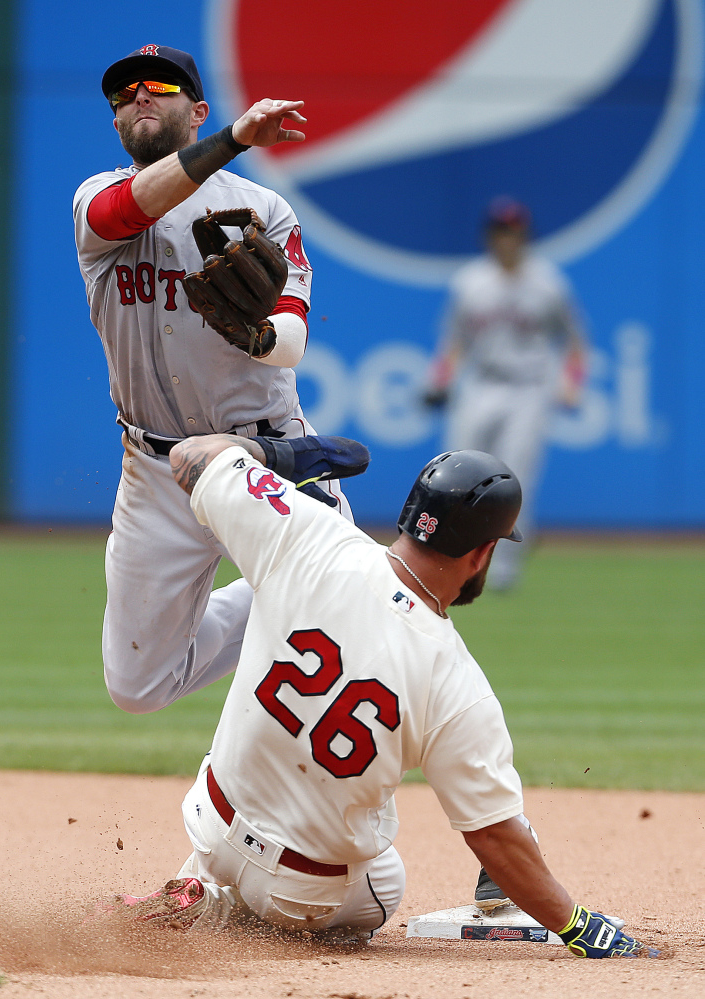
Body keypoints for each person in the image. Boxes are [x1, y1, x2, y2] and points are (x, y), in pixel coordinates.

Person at [110, 436, 658, 959]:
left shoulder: (308, 534)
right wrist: (578, 925)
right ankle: (224, 912)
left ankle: (202, 885)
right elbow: (495, 836)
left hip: (209, 823)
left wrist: (279, 454)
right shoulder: (457, 683)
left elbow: (191, 457)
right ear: (482, 553)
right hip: (296, 892)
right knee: (384, 879)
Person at [73, 44, 351, 716]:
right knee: (137, 687)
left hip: (258, 455)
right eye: (124, 92)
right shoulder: (95, 203)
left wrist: (259, 336)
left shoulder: (263, 209)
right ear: (115, 123)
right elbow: (127, 210)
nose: (140, 94)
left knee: (342, 609)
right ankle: (308, 588)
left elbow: (291, 339)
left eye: (161, 85)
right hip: (155, 469)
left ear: (195, 110)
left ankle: (325, 586)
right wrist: (233, 140)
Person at [423, 197, 588, 591]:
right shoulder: (470, 281)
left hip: (528, 389)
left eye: (513, 232)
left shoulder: (549, 282)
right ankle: (447, 558)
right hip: (480, 384)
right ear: (489, 236)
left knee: (516, 478)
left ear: (525, 236)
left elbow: (576, 343)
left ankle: (505, 569)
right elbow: (452, 342)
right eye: (500, 232)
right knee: (456, 474)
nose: (506, 240)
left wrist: (571, 383)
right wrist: (440, 379)